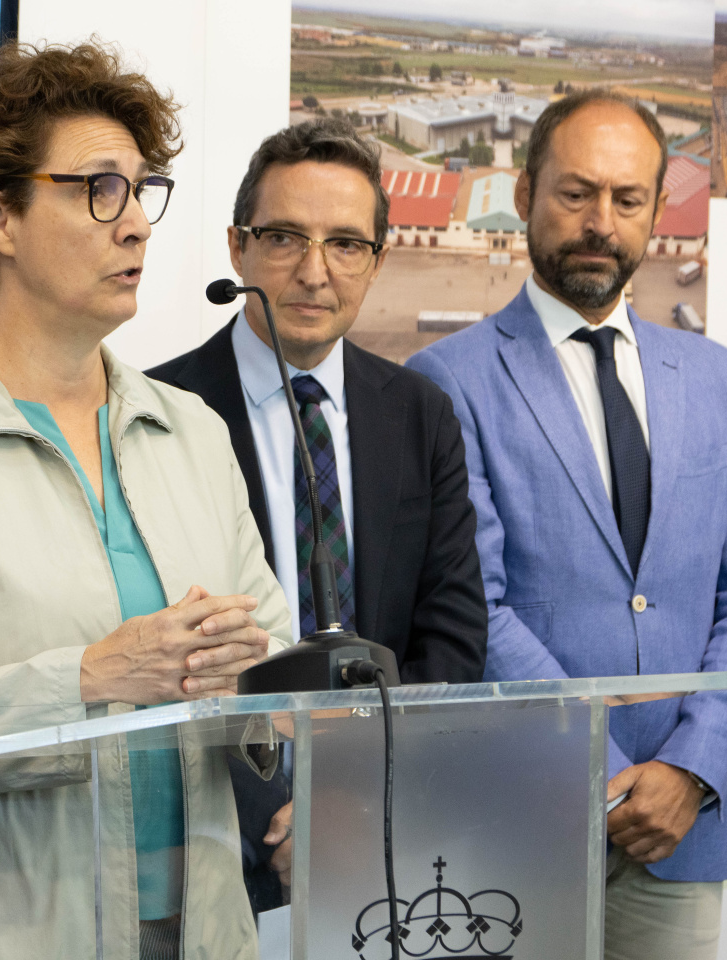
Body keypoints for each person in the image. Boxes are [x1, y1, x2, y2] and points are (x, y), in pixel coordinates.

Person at [0, 42, 288, 960]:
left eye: (143, 189)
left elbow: (263, 661)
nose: (136, 224)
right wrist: (87, 679)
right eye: (98, 189)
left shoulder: (192, 432)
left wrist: (261, 681)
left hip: (202, 927)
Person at [406, 90, 727, 960]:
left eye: (627, 200)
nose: (599, 223)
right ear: (525, 190)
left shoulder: (717, 377)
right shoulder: (443, 382)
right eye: (575, 193)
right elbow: (478, 605)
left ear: (657, 211)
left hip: (685, 823)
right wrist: (609, 778)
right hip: (521, 818)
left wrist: (692, 768)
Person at [147, 118, 486, 912]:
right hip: (208, 844)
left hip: (387, 836)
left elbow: (453, 639)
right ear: (237, 248)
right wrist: (278, 816)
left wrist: (352, 799)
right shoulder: (156, 412)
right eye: (284, 238)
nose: (313, 272)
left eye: (345, 244)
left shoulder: (420, 414)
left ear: (377, 260)